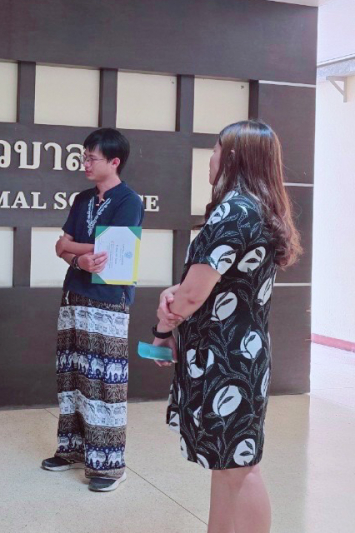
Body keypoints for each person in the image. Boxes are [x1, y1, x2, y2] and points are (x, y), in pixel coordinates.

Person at [152, 120, 301, 533]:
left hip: (227, 357)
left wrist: (165, 322)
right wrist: (178, 293)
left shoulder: (234, 210)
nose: (211, 157)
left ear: (232, 157)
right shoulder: (258, 207)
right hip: (240, 352)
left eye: (216, 148)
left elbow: (193, 295)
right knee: (227, 462)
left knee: (240, 467)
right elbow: (222, 282)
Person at [41, 128, 144, 492]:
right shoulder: (82, 198)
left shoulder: (129, 200)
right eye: (84, 157)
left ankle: (110, 465)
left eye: (92, 158)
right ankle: (72, 449)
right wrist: (78, 258)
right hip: (75, 294)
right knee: (72, 375)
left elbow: (112, 247)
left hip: (109, 300)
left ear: (114, 162)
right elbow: (60, 248)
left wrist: (74, 248)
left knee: (104, 381)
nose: (85, 163)